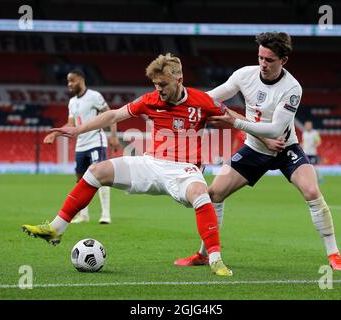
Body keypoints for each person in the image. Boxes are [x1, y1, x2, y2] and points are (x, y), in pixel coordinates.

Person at [22, 53, 233, 276]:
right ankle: (56, 229)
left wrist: (266, 136)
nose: (158, 89)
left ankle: (215, 260)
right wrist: (77, 129)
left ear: (179, 80)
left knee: (201, 192)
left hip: (184, 170)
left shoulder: (202, 101)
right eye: (155, 84)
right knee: (96, 171)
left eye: (162, 84)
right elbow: (113, 115)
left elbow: (232, 118)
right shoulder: (150, 100)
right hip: (151, 163)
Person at [175, 32, 341, 271]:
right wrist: (180, 99)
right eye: (260, 57)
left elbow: (276, 129)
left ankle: (334, 253)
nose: (263, 64)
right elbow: (209, 98)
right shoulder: (244, 75)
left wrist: (234, 121)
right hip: (254, 149)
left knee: (311, 190)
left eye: (269, 60)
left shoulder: (292, 88)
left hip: (286, 149)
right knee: (214, 193)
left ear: (283, 61)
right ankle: (205, 254)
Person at [43, 69, 119, 224]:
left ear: (81, 80)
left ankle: (106, 214)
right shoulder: (72, 102)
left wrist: (113, 135)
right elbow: (71, 125)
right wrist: (55, 134)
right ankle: (84, 215)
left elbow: (110, 114)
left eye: (72, 80)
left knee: (101, 176)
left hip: (96, 142)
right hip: (81, 145)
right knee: (80, 178)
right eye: (68, 81)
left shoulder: (94, 96)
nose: (70, 84)